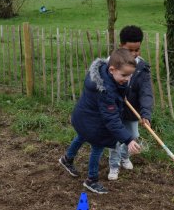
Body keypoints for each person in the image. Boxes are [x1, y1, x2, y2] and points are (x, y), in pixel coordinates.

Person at [59, 49, 141, 194]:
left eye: (130, 75)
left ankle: (67, 159)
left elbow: (116, 88)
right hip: (94, 122)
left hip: (83, 116)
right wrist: (128, 140)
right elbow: (111, 119)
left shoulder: (100, 71)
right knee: (98, 147)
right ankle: (92, 180)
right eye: (124, 75)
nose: (127, 79)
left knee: (82, 136)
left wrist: (120, 91)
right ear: (112, 69)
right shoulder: (105, 91)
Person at [108, 25, 154, 181]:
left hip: (131, 109)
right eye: (130, 50)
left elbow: (146, 92)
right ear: (121, 46)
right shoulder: (111, 64)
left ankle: (124, 156)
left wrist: (145, 113)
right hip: (114, 108)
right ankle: (114, 166)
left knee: (132, 135)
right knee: (115, 138)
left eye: (137, 50)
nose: (134, 54)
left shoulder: (142, 67)